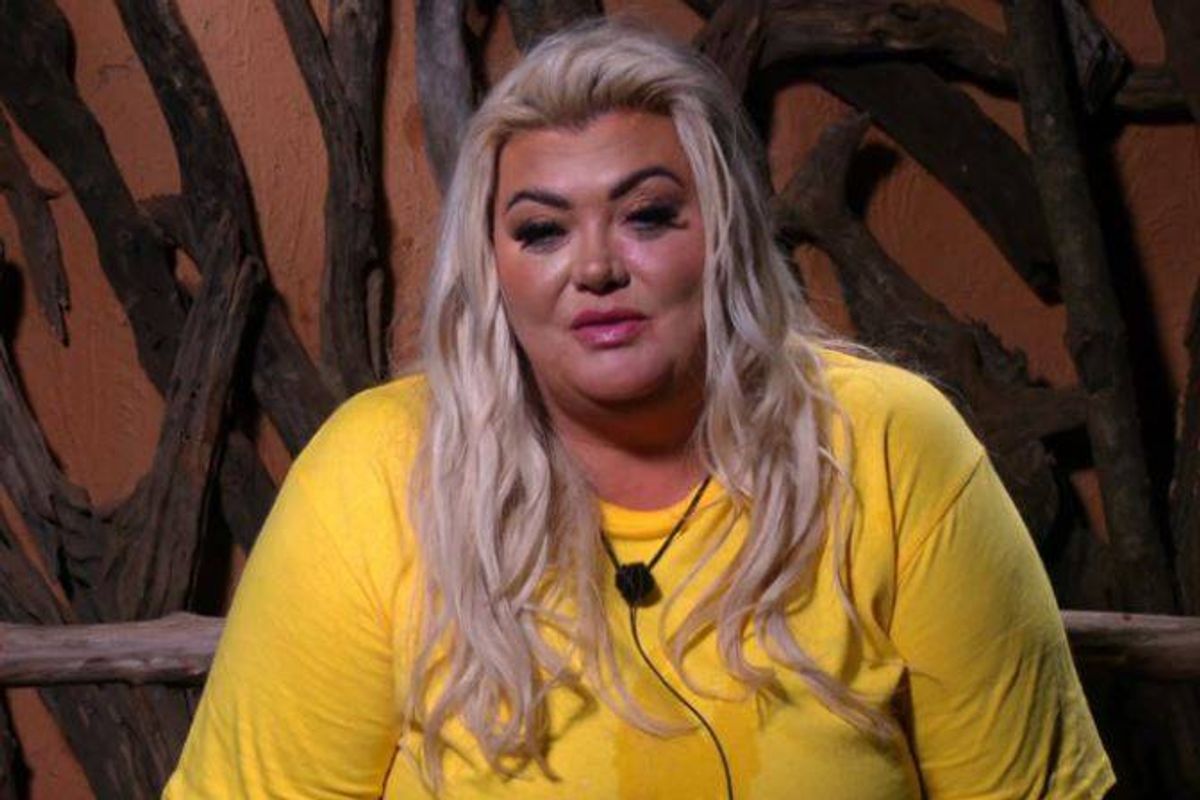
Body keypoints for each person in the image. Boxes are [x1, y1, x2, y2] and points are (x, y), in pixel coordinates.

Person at [163, 20, 1114, 799]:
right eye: (542, 230)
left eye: (648, 214)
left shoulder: (892, 443)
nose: (596, 268)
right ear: (490, 271)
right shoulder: (375, 470)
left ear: (724, 235)